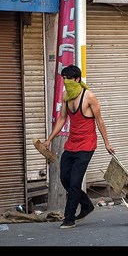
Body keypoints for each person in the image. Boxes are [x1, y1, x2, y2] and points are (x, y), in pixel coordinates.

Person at [43, 64, 115, 229]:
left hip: (87, 145)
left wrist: (107, 143)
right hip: (71, 144)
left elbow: (100, 121)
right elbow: (62, 119)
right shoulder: (66, 96)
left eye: (68, 79)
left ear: (76, 79)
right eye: (64, 80)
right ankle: (87, 204)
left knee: (75, 182)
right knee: (65, 178)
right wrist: (49, 139)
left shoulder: (89, 97)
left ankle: (69, 219)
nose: (66, 82)